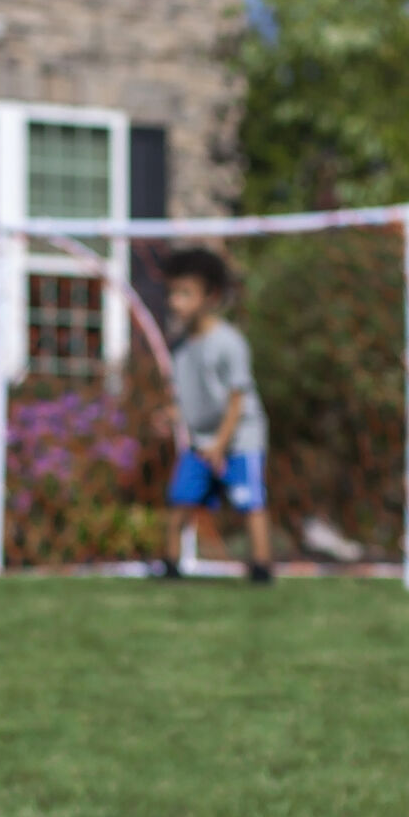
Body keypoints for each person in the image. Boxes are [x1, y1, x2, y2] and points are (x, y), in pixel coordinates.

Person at [160, 246, 272, 583]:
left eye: (186, 293)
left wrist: (221, 445)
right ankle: (169, 566)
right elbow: (189, 397)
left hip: (238, 438)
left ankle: (261, 568)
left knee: (249, 502)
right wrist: (170, 414)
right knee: (180, 500)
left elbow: (238, 400)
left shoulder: (228, 342)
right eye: (173, 293)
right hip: (202, 440)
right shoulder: (180, 348)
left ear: (211, 297)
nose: (176, 301)